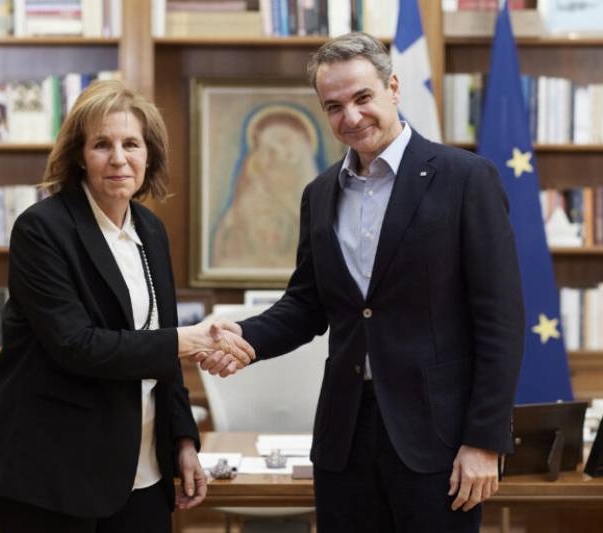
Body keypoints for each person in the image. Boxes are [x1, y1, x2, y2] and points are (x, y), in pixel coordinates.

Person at [202, 32, 525, 532]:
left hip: (437, 441)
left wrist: (484, 441)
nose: (350, 117)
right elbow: (307, 305)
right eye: (334, 106)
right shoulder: (319, 193)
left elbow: (501, 320)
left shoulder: (466, 179)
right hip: (344, 437)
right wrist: (243, 338)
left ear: (393, 88)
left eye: (362, 98)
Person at [0, 79, 255, 533]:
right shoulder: (41, 230)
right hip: (50, 471)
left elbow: (163, 350)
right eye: (102, 144)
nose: (119, 158)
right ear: (80, 155)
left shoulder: (150, 230)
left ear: (149, 155)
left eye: (131, 144)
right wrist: (185, 340)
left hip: (142, 465)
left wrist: (182, 440)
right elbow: (76, 345)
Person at [211, 104, 323, 269]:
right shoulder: (248, 203)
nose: (277, 151)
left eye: (283, 141)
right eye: (267, 147)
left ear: (303, 146)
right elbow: (225, 260)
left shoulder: (319, 200)